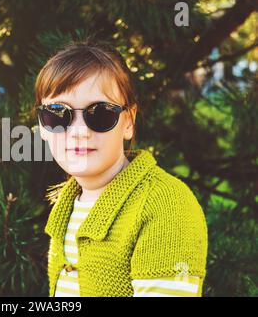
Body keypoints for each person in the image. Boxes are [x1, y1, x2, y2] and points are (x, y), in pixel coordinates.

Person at [35, 40, 208, 297]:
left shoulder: (166, 205)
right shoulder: (67, 206)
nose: (79, 132)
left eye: (100, 114)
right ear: (43, 127)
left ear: (128, 122)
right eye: (58, 114)